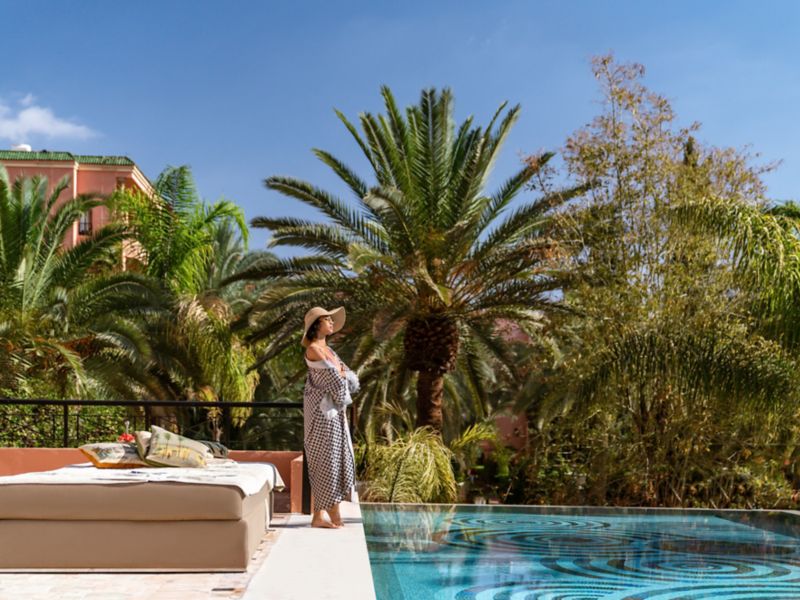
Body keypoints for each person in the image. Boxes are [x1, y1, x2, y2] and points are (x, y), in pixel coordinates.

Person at [301, 306, 359, 528]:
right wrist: (342, 375)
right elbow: (336, 380)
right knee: (326, 460)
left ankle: (320, 516)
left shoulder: (330, 351)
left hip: (335, 413)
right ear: (317, 325)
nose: (332, 323)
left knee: (336, 459)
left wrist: (343, 375)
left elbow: (348, 378)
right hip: (321, 414)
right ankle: (333, 515)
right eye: (328, 319)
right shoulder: (314, 350)